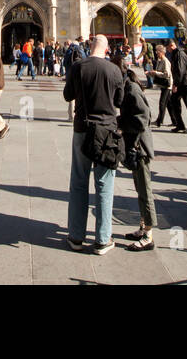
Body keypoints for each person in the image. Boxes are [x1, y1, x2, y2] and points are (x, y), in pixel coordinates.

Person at [64, 34, 124, 254]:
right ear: (106, 49)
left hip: (82, 128)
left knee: (79, 182)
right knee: (104, 185)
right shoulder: (114, 71)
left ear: (90, 47)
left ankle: (76, 237)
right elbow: (119, 101)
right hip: (107, 132)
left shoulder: (79, 67)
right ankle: (102, 239)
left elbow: (67, 95)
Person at [116, 56, 157, 251]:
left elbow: (143, 119)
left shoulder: (131, 88)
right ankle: (142, 227)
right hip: (134, 144)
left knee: (145, 190)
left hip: (140, 146)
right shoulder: (126, 86)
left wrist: (120, 122)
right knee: (139, 189)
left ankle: (148, 235)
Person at [167, 40, 187, 133]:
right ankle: (180, 125)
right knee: (174, 101)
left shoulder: (180, 54)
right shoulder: (175, 53)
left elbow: (180, 70)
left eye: (167, 48)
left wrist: (176, 84)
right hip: (181, 82)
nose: (167, 50)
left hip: (185, 83)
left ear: (171, 45)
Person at [149, 44, 174, 126]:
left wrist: (156, 73)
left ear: (162, 52)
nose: (156, 54)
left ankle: (159, 121)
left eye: (157, 52)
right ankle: (175, 120)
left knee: (162, 103)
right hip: (163, 85)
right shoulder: (160, 61)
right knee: (169, 104)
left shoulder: (165, 61)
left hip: (167, 85)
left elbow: (167, 74)